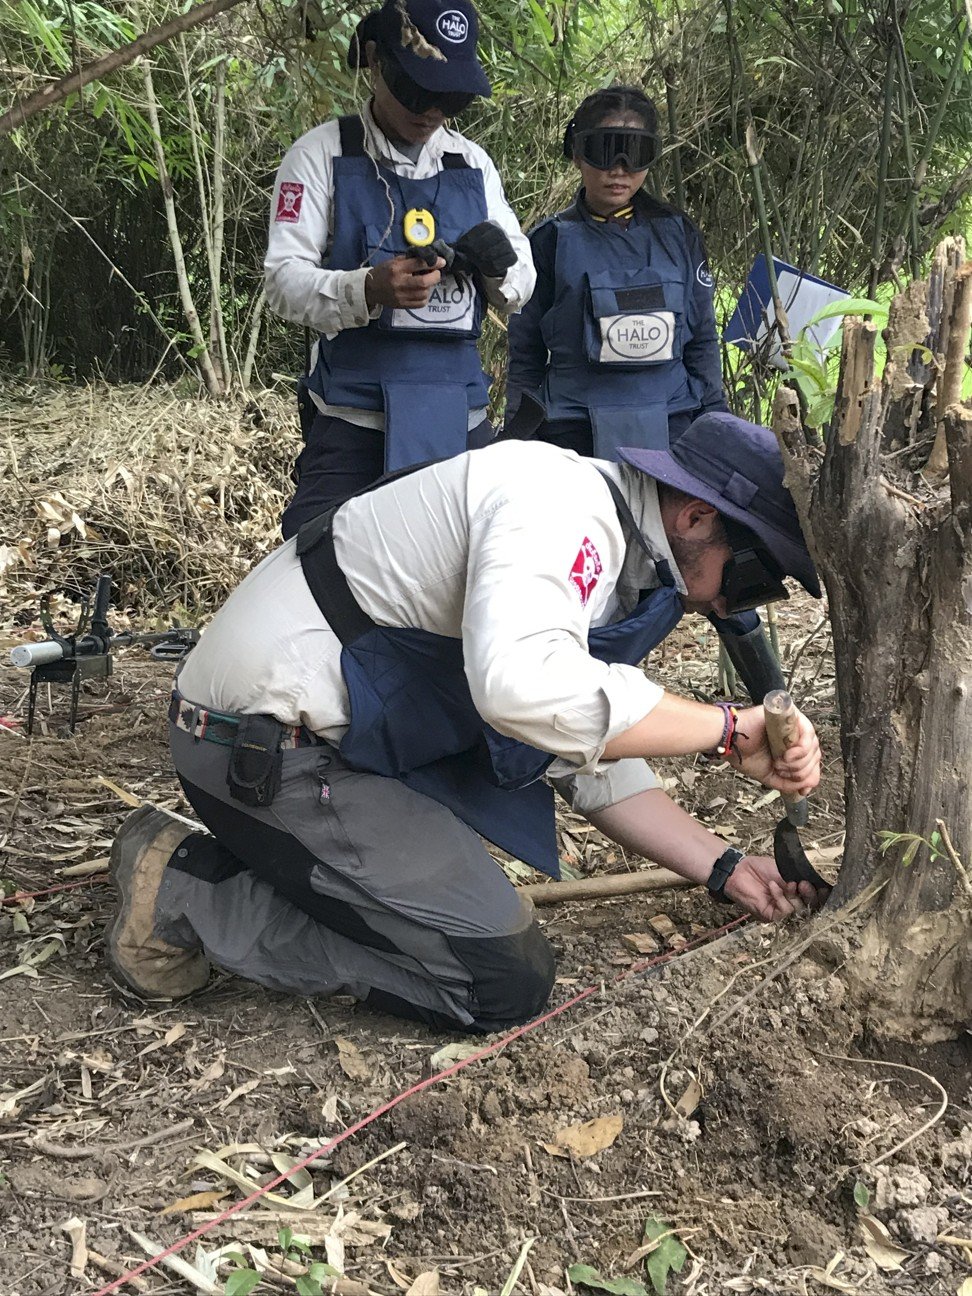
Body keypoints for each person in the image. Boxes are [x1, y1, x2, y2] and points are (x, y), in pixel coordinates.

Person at [105, 414, 825, 1032]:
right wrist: (727, 728)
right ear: (695, 515)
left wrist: (727, 869)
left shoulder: (611, 539)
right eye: (752, 575)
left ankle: (214, 878)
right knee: (497, 978)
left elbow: (577, 742)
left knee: (489, 950)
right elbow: (525, 690)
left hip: (331, 740)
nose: (736, 606)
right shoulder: (561, 512)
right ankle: (184, 893)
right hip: (258, 745)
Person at [505, 84, 783, 702]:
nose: (620, 169)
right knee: (586, 564)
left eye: (635, 153)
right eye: (604, 150)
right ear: (577, 153)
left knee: (721, 567)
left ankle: (774, 702)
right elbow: (524, 352)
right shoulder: (546, 243)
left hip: (676, 420)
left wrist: (716, 423)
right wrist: (519, 435)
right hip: (577, 427)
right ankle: (576, 696)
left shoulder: (679, 233)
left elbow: (702, 337)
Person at [265, 0, 535, 538]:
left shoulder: (473, 165)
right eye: (416, 88)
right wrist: (365, 288)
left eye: (450, 97)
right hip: (354, 424)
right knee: (308, 566)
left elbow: (521, 282)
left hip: (460, 421)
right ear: (373, 60)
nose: (431, 111)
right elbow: (282, 282)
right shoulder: (321, 155)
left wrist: (495, 268)